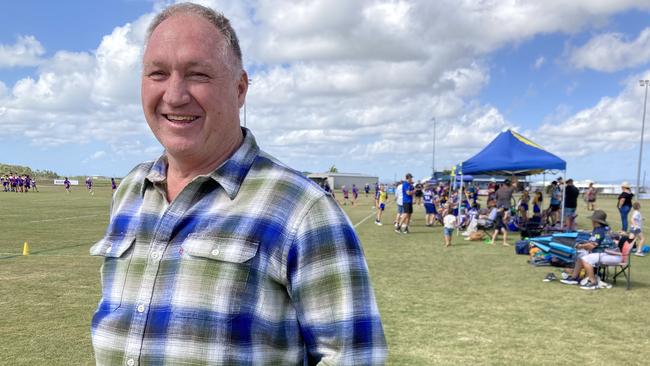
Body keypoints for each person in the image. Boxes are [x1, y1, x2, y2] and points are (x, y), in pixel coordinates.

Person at [89, 4, 386, 365]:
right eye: (158, 73)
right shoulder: (131, 192)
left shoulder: (301, 208)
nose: (175, 94)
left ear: (240, 88)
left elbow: (354, 357)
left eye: (197, 74)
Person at [560, 210, 618, 290]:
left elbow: (592, 246)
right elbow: (594, 242)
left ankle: (593, 282)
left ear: (596, 221)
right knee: (581, 257)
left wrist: (580, 246)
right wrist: (584, 244)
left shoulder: (599, 231)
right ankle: (574, 278)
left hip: (610, 255)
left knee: (585, 259)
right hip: (611, 254)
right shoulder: (602, 228)